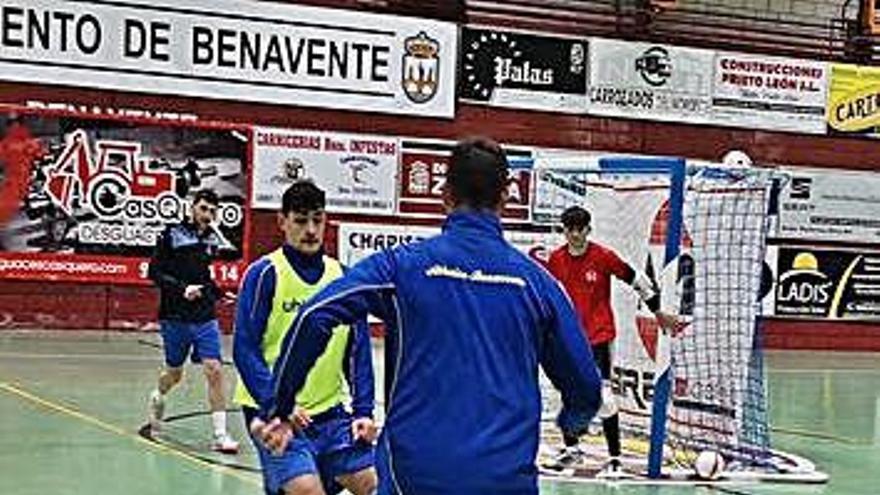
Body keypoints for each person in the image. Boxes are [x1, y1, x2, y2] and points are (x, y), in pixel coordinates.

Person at [252, 137, 603, 494]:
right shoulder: (540, 285)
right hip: (506, 479)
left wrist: (278, 407)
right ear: (504, 199)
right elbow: (587, 390)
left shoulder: (401, 266)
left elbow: (315, 315)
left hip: (416, 474)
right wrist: (571, 423)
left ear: (446, 196)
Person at [232, 180, 377, 495]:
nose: (311, 229)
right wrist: (278, 403)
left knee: (375, 483)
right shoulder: (265, 274)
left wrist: (364, 410)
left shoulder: (343, 278)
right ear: (282, 222)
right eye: (300, 220)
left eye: (318, 219)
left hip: (330, 413)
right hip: (272, 411)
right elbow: (244, 349)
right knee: (307, 490)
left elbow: (359, 351)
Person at [543, 205, 682, 477]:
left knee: (605, 399)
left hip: (599, 337)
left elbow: (637, 280)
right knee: (567, 395)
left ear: (588, 230)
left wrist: (657, 312)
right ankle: (572, 451)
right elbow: (548, 295)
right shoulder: (557, 259)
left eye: (579, 230)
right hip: (569, 339)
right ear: (564, 231)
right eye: (569, 230)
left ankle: (615, 457)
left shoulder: (603, 256)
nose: (574, 235)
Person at [146, 188, 239, 453]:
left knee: (215, 369)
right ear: (192, 207)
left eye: (212, 211)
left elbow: (204, 277)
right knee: (174, 374)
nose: (208, 215)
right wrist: (181, 289)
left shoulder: (212, 240)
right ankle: (158, 395)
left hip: (203, 316)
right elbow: (154, 272)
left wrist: (220, 293)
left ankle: (220, 435)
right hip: (174, 315)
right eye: (203, 209)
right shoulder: (171, 234)